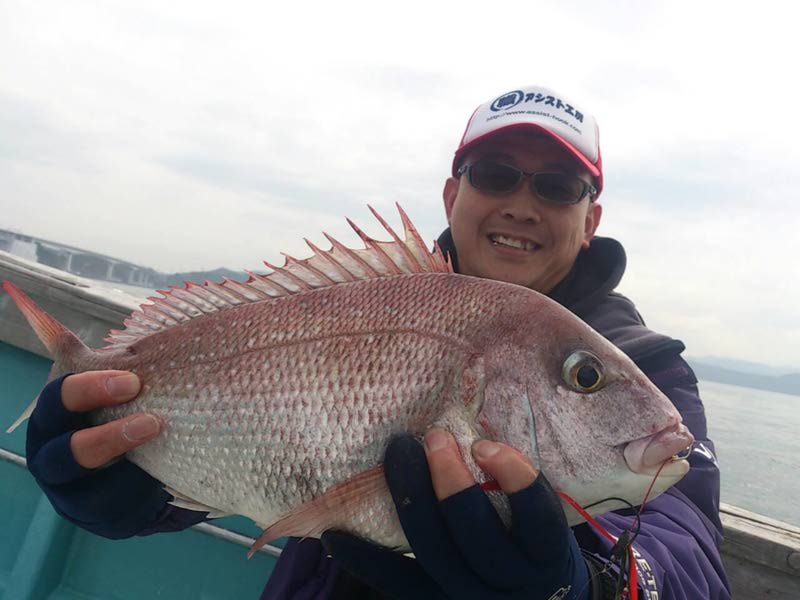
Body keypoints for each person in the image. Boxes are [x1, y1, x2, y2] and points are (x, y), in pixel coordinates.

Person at [24, 85, 730, 599]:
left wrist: (594, 587)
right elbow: (251, 452)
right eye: (494, 174)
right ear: (453, 194)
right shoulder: (363, 305)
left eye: (556, 184)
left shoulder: (648, 365)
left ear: (591, 216)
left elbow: (688, 545)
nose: (522, 202)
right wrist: (130, 493)